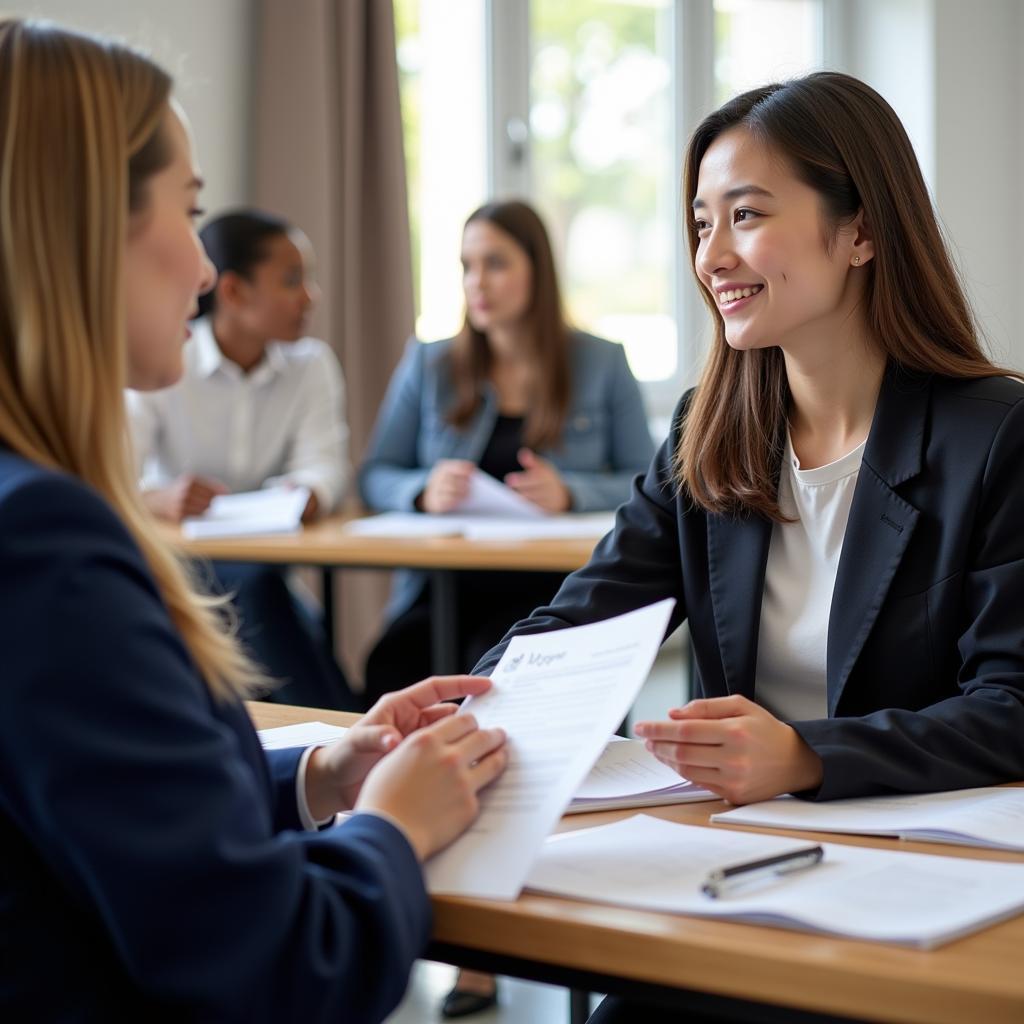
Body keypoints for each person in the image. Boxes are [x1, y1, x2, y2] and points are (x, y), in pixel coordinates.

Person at [469, 75, 1024, 1024]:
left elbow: (1013, 709)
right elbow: (583, 617)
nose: (712, 255)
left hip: (920, 895)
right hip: (741, 874)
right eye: (700, 223)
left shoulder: (997, 435)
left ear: (861, 233)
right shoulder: (709, 431)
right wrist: (471, 705)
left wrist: (806, 755)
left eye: (747, 215)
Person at [0, 19, 507, 1023]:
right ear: (87, 225)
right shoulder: (45, 547)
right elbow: (280, 966)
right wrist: (395, 829)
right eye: (187, 214)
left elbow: (119, 825)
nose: (200, 270)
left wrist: (323, 771)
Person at [359, 199, 655, 704]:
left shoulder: (602, 362)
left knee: (494, 663)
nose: (477, 281)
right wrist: (422, 490)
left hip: (551, 590)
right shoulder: (430, 364)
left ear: (537, 271)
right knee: (392, 662)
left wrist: (569, 492)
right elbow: (374, 474)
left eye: (495, 264)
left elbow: (648, 480)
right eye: (467, 267)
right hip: (443, 585)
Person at [126, 208, 354, 709]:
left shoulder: (310, 365)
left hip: (271, 569)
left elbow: (326, 465)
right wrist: (160, 497)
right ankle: (345, 725)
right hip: (180, 569)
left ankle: (338, 730)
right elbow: (119, 471)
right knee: (262, 603)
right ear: (232, 291)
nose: (309, 296)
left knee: (266, 599)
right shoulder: (167, 358)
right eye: (292, 280)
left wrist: (309, 492)